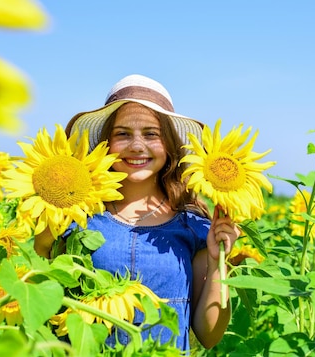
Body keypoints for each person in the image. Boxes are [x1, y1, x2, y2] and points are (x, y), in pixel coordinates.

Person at [35, 74, 239, 352]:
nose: (137, 146)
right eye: (123, 134)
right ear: (106, 143)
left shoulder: (193, 227)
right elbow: (44, 294)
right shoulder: (76, 215)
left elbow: (209, 334)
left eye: (151, 134)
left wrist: (218, 262)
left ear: (168, 145)